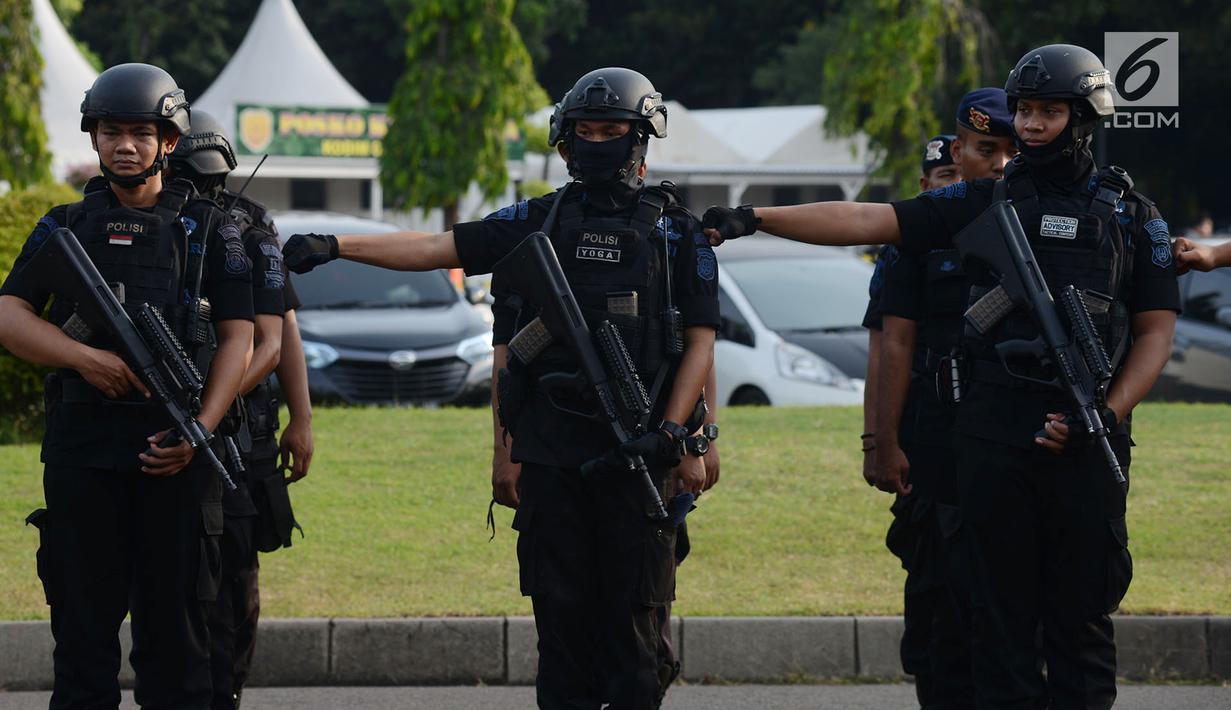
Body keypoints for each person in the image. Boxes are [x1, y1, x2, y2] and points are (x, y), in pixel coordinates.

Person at [703, 44, 1178, 709]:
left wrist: (1105, 412)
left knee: (1080, 625)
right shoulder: (981, 202)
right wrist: (754, 219)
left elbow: (1155, 332)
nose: (1034, 125)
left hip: (1088, 435)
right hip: (990, 432)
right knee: (996, 623)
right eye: (1026, 111)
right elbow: (871, 218)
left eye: (1049, 112)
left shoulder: (1132, 216)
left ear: (1084, 118)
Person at [284, 67, 719, 709]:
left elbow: (701, 342)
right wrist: (336, 245)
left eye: (613, 131)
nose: (598, 142)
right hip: (551, 450)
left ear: (642, 138)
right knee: (562, 636)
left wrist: (685, 437)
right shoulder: (534, 221)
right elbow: (438, 249)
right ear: (565, 142)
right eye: (586, 131)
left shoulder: (676, 231)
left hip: (643, 454)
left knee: (637, 640)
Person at [0, 63, 255, 709]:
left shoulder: (212, 230)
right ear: (93, 138)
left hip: (177, 457)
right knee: (82, 642)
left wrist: (200, 429)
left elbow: (239, 338)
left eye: (141, 133)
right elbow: (10, 314)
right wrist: (85, 359)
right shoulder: (62, 225)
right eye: (111, 131)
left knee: (178, 647)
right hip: (84, 454)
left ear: (170, 141)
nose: (124, 145)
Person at [168, 109, 314, 710]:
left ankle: (223, 691)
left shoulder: (251, 226)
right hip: (164, 423)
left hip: (238, 435)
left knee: (233, 579)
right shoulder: (146, 221)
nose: (206, 193)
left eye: (212, 181)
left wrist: (300, 419)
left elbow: (278, 334)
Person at [873, 91, 1015, 709]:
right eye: (948, 174)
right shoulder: (917, 240)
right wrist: (881, 440)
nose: (994, 167)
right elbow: (890, 347)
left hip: (1014, 440)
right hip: (935, 439)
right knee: (938, 612)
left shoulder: (1041, 223)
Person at [861, 133, 962, 488]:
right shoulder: (901, 249)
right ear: (925, 184)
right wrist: (874, 441)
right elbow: (881, 349)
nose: (957, 185)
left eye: (963, 174)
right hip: (921, 414)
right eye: (947, 175)